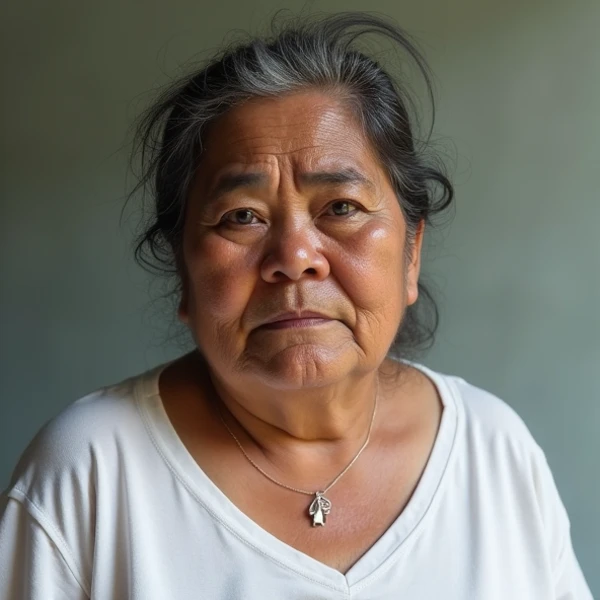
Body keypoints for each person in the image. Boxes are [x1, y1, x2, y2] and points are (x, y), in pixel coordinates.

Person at [0, 12, 592, 599]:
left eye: (341, 207)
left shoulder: (494, 453)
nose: (295, 256)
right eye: (242, 217)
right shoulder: (91, 473)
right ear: (183, 269)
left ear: (411, 252)